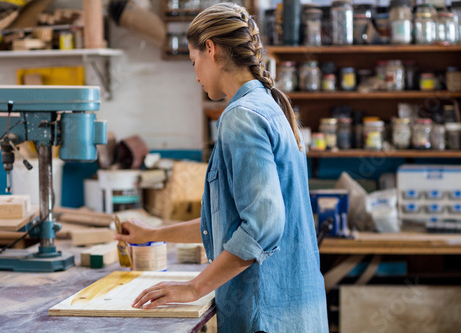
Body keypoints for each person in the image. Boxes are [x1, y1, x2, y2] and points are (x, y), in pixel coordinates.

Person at [114, 3, 328, 332]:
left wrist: (195, 287)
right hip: (295, 313)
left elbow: (261, 227)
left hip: (266, 316)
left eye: (193, 60)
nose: (196, 74)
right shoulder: (269, 106)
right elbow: (228, 222)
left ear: (210, 49)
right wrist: (153, 235)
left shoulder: (241, 116)